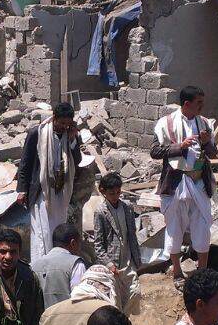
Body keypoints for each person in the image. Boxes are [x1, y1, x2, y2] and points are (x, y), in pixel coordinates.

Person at [151, 86, 217, 284]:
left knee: (203, 225)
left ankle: (202, 271)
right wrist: (180, 146)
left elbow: (213, 153)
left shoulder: (204, 123)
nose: (202, 106)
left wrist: (206, 143)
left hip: (199, 183)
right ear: (187, 104)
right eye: (199, 103)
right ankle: (177, 272)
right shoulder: (166, 123)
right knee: (174, 227)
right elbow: (154, 151)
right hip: (176, 182)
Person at [17, 101, 84, 261]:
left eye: (67, 124)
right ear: (54, 118)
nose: (64, 127)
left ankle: (56, 263)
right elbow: (25, 162)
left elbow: (77, 160)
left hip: (61, 192)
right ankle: (41, 264)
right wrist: (21, 190)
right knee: (42, 231)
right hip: (42, 191)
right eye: (62, 123)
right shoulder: (37, 133)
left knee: (57, 230)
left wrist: (73, 139)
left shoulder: (70, 136)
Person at [92, 172, 141, 272]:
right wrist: (108, 264)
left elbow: (132, 234)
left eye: (118, 192)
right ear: (103, 192)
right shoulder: (101, 212)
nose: (115, 196)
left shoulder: (127, 207)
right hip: (113, 262)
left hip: (130, 260)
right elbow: (98, 243)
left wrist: (137, 257)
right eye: (111, 193)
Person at [31, 223, 88, 307]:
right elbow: (79, 297)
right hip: (66, 318)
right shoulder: (76, 264)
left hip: (40, 319)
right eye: (79, 244)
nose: (79, 249)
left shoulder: (33, 265)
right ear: (73, 243)